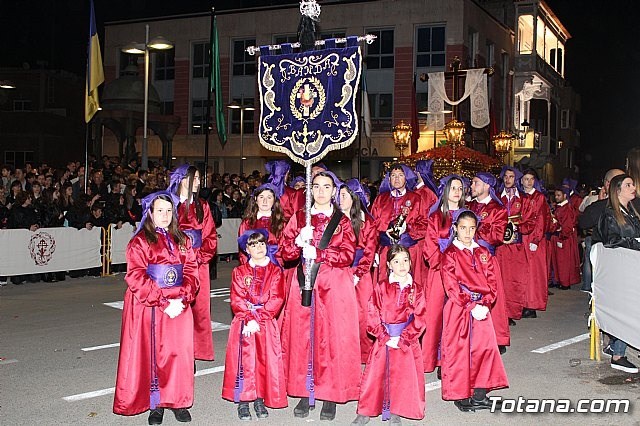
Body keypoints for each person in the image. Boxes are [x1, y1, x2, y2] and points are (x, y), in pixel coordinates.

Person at [113, 191, 198, 424]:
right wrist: (162, 302)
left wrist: (184, 297)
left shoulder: (183, 240)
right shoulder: (140, 241)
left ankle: (178, 400)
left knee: (178, 353)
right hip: (151, 304)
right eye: (160, 210)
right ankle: (156, 403)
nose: (165, 215)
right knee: (153, 354)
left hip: (179, 303)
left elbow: (191, 271)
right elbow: (136, 277)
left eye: (169, 211)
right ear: (150, 213)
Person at [280, 171, 359, 421]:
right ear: (310, 190)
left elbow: (348, 254)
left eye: (326, 187)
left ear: (333, 191)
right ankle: (306, 390)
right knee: (304, 336)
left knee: (331, 338)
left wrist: (322, 253)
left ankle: (330, 394)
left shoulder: (342, 221)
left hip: (333, 283)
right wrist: (297, 242)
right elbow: (285, 252)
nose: (321, 191)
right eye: (316, 187)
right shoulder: (300, 217)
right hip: (304, 282)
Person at [440, 209, 508, 412]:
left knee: (484, 349)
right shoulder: (450, 254)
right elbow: (451, 285)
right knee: (459, 351)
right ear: (455, 229)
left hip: (481, 309)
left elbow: (492, 281)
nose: (467, 233)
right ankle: (460, 395)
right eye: (463, 228)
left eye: (471, 228)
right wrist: (470, 305)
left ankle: (479, 393)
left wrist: (485, 302)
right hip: (459, 308)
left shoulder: (483, 252)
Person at [352, 245, 426, 425]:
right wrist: (384, 336)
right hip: (384, 339)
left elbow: (420, 316)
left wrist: (404, 338)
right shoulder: (382, 287)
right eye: (397, 261)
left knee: (401, 377)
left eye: (405, 260)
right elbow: (372, 313)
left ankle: (396, 409)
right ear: (389, 265)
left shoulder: (416, 289)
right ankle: (366, 409)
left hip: (405, 343)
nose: (402, 265)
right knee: (374, 376)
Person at [222, 229, 287, 419]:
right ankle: (243, 400)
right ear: (246, 250)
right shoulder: (239, 271)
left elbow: (277, 298)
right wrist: (248, 318)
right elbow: (237, 298)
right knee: (244, 360)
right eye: (253, 244)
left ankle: (260, 399)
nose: (258, 247)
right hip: (244, 322)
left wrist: (259, 318)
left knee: (263, 360)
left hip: (266, 323)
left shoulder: (275, 271)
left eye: (261, 243)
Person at [592, 174, 640, 373]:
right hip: (620, 271)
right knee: (625, 310)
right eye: (628, 185)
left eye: (633, 184)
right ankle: (618, 355)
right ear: (617, 190)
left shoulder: (631, 212)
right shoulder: (611, 214)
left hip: (631, 267)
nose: (633, 187)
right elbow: (611, 240)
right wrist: (635, 243)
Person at [168, 164, 217, 362]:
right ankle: (176, 352)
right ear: (183, 180)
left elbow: (210, 236)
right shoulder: (169, 204)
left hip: (198, 264)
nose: (198, 182)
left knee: (200, 310)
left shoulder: (202, 206)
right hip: (174, 265)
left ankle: (196, 353)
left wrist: (200, 258)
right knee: (176, 308)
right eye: (195, 178)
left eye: (199, 178)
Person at [421, 174, 465, 374]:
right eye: (453, 188)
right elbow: (429, 246)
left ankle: (454, 358)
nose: (457, 192)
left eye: (460, 188)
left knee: (458, 317)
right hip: (439, 272)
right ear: (446, 191)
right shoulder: (436, 216)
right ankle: (436, 359)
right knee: (437, 315)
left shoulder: (467, 215)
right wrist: (444, 265)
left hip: (463, 274)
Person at [467, 172, 510, 351]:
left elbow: (497, 236)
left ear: (486, 186)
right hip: (467, 257)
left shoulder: (498, 209)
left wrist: (476, 225)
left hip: (486, 258)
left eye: (476, 183)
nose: (472, 186)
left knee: (493, 297)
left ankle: (497, 338)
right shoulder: (468, 205)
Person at [339, 178, 378, 363]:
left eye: (344, 195)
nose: (340, 198)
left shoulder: (366, 222)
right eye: (339, 195)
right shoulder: (334, 219)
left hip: (360, 274)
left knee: (362, 314)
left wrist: (358, 273)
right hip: (339, 271)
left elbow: (369, 252)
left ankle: (364, 353)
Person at [370, 164, 427, 282]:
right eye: (393, 175)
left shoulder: (416, 199)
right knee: (384, 285)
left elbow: (425, 225)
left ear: (406, 178)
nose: (396, 178)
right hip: (385, 250)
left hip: (409, 250)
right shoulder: (380, 199)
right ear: (389, 178)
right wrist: (373, 251)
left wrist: (409, 227)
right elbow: (371, 227)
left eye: (400, 175)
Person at [495, 166, 533, 322]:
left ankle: (512, 310)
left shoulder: (523, 199)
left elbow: (530, 221)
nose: (507, 179)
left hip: (516, 245)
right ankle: (502, 313)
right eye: (505, 176)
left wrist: (518, 227)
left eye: (511, 176)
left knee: (514, 280)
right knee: (500, 279)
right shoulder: (497, 197)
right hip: (500, 245)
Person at [520, 168, 552, 316]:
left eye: (531, 179)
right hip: (522, 237)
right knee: (523, 271)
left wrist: (536, 239)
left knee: (533, 272)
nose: (528, 182)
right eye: (526, 179)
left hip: (533, 238)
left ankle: (531, 305)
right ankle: (522, 301)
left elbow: (542, 219)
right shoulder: (519, 196)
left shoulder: (539, 197)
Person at [238, 183, 285, 265]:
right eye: (261, 197)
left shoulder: (282, 223)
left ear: (274, 200)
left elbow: (284, 248)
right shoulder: (247, 223)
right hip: (253, 265)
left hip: (276, 265)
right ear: (256, 199)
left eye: (269, 197)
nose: (265, 201)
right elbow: (243, 250)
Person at [550, 187, 581, 289]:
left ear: (564, 196)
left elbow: (567, 226)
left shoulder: (567, 208)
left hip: (564, 238)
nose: (556, 197)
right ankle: (558, 280)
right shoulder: (559, 207)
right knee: (557, 260)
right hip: (558, 236)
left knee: (564, 261)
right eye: (555, 195)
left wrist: (561, 235)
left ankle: (565, 282)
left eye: (559, 195)